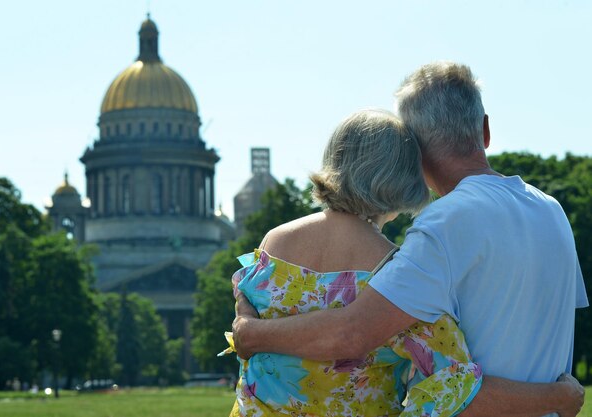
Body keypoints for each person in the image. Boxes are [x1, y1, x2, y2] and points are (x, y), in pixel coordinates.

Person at [232, 62, 587, 416]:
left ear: (416, 149)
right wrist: (559, 398)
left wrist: (249, 334)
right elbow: (452, 382)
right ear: (485, 130)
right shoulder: (550, 210)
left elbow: (354, 332)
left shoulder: (442, 222)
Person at [224, 110, 484, 416]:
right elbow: (451, 382)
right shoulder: (398, 271)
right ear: (403, 178)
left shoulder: (273, 243)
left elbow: (247, 345)